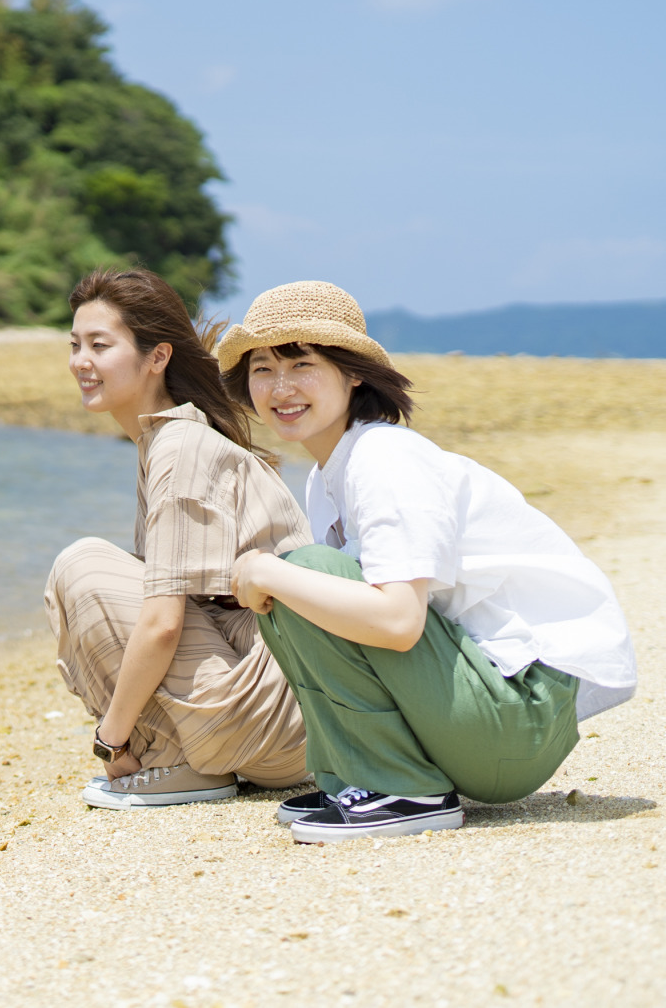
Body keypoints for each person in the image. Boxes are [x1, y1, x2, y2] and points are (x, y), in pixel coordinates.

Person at [219, 281, 638, 842]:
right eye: (262, 369)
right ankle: (365, 775)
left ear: (354, 373)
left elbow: (397, 621)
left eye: (302, 364)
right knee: (305, 576)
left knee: (303, 570)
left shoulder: (385, 459)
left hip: (516, 718)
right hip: (482, 712)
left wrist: (268, 571)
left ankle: (405, 792)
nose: (280, 387)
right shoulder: (328, 477)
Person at [44, 268, 314, 809]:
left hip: (279, 717)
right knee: (112, 572)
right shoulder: (168, 440)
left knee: (84, 567)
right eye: (75, 345)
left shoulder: (180, 447)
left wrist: (110, 741)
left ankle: (174, 762)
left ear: (157, 357)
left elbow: (164, 623)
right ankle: (187, 758)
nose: (81, 361)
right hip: (292, 716)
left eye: (100, 344)